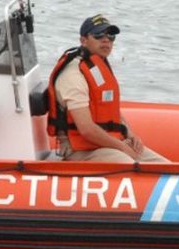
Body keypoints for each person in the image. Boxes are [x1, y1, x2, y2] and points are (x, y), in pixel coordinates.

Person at [46, 14, 169, 163]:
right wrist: (122, 147)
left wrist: (130, 133)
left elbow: (109, 108)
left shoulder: (96, 67)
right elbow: (86, 129)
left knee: (164, 165)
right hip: (81, 149)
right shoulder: (73, 74)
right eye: (98, 35)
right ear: (83, 41)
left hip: (108, 144)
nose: (106, 40)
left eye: (111, 36)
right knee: (132, 167)